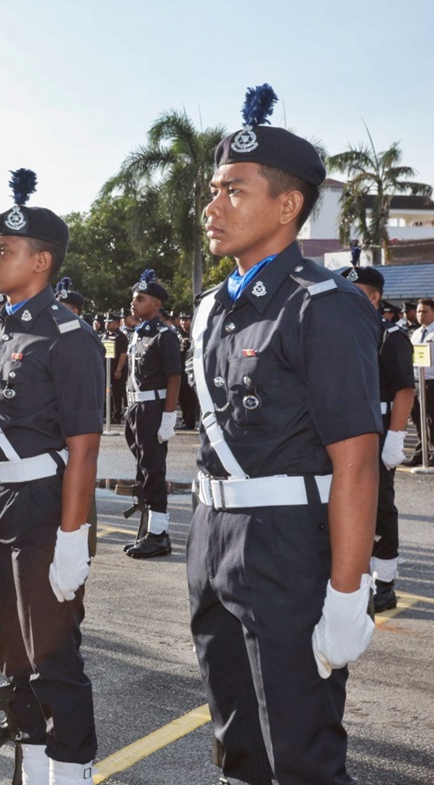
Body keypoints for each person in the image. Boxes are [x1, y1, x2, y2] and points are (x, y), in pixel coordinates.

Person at [189, 84, 379, 785]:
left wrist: (348, 593)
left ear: (287, 205)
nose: (212, 208)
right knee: (236, 742)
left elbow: (357, 464)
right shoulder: (212, 308)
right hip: (213, 537)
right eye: (214, 191)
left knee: (300, 754)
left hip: (287, 548)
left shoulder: (321, 306)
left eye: (233, 191)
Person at [0, 167, 103, 785]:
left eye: (4, 250)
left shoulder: (68, 336)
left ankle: (71, 772)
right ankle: (32, 767)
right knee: (11, 648)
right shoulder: (1, 328)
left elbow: (84, 448)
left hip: (45, 506)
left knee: (53, 654)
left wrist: (73, 537)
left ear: (42, 261)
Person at [340, 258, 413, 612]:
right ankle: (354, 577)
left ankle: (384, 583)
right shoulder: (337, 332)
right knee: (344, 503)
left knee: (379, 506)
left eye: (353, 292)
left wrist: (395, 438)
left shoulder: (390, 336)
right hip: (343, 428)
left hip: (379, 428)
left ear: (374, 298)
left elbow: (405, 390)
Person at [122, 269, 181, 559]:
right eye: (134, 298)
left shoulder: (164, 335)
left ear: (156, 305)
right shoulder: (138, 333)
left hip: (153, 409)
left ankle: (159, 535)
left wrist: (168, 417)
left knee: (153, 470)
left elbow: (174, 378)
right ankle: (149, 529)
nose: (134, 303)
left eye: (140, 299)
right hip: (136, 409)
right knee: (143, 470)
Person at [403, 298, 434, 466]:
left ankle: (432, 452)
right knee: (418, 419)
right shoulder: (416, 333)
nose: (421, 314)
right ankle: (422, 452)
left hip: (431, 381)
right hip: (416, 380)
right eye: (419, 311)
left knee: (431, 419)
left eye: (425, 311)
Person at [103, 313, 129, 420]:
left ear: (117, 323)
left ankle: (117, 414)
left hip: (116, 368)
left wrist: (118, 369)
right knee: (107, 392)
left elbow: (123, 354)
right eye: (106, 322)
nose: (107, 324)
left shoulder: (121, 336)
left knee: (117, 393)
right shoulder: (105, 335)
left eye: (110, 322)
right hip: (106, 368)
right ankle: (108, 413)